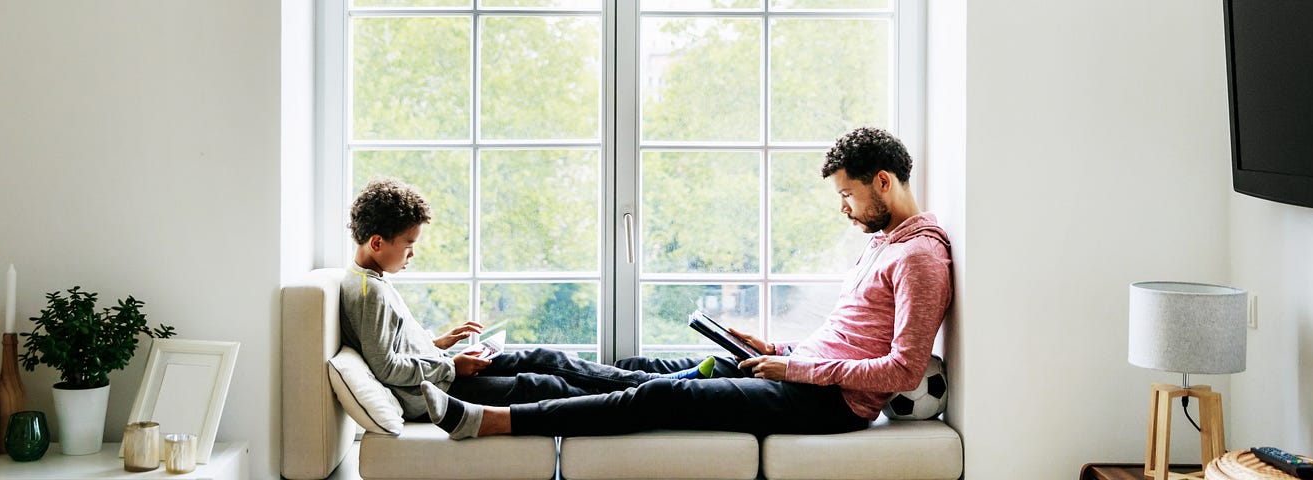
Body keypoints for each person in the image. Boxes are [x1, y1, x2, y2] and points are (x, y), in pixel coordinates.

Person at [417, 126, 954, 440]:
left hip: (828, 403)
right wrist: (778, 348)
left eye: (847, 194)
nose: (845, 208)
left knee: (658, 397)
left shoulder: (920, 259)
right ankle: (475, 367)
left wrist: (794, 367)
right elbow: (852, 335)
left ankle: (491, 421)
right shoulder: (883, 243)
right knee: (636, 370)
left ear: (882, 181)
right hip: (800, 372)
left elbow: (904, 370)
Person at [340, 178, 715, 423]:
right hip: (437, 391)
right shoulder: (367, 291)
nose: (411, 255)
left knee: (544, 358)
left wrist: (439, 344)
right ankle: (658, 393)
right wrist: (452, 366)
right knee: (542, 385)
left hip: (443, 371)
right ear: (377, 242)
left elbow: (392, 346)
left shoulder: (373, 281)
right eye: (408, 246)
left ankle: (651, 381)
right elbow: (386, 367)